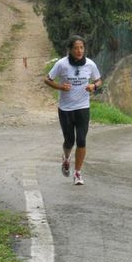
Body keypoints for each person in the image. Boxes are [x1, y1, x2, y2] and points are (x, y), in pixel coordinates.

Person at [44, 35, 102, 185]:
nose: (79, 50)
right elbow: (47, 79)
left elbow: (98, 80)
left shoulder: (90, 64)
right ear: (70, 49)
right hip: (65, 109)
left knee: (81, 140)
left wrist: (93, 86)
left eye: (81, 47)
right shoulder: (62, 64)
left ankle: (77, 173)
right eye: (76, 48)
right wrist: (60, 87)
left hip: (83, 108)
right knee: (69, 141)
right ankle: (66, 157)